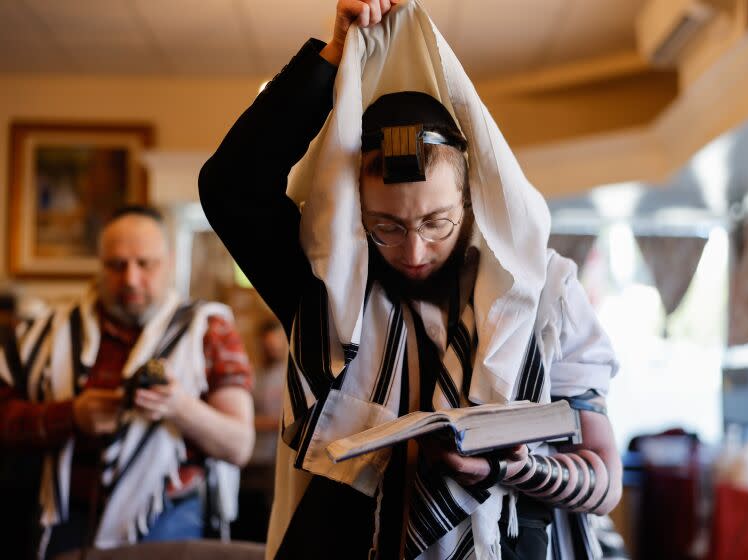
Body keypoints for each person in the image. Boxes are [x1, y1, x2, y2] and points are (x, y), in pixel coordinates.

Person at [199, 1, 622, 558]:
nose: (414, 249)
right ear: (356, 217)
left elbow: (605, 482)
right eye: (386, 227)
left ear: (471, 202)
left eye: (436, 221)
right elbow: (232, 187)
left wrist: (515, 467)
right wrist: (333, 55)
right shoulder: (330, 291)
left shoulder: (544, 295)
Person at [0, 206, 255, 558]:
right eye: (116, 265)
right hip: (67, 511)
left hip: (169, 513)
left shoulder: (208, 330)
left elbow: (239, 445)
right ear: (99, 264)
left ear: (169, 261)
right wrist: (71, 416)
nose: (131, 279)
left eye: (144, 263)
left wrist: (180, 406)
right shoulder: (46, 333)